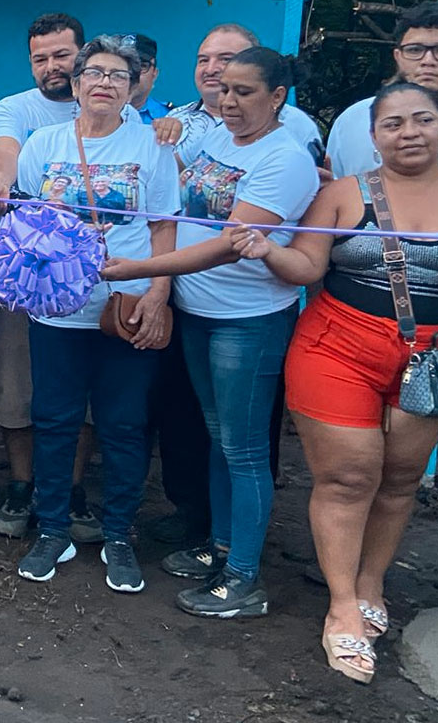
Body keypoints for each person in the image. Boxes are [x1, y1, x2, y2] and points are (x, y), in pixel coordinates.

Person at [231, 82, 438, 683]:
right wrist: (265, 250)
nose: (409, 133)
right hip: (337, 348)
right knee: (349, 476)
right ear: (372, 136)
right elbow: (308, 266)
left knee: (401, 479)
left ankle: (372, 581)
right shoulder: (345, 194)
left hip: (434, 355)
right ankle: (343, 606)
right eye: (394, 124)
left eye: (422, 120)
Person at [103, 48, 319, 617]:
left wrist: (142, 272)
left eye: (245, 92)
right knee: (220, 437)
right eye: (224, 89)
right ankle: (220, 547)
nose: (229, 100)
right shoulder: (220, 138)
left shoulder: (286, 158)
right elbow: (175, 189)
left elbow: (228, 243)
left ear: (277, 97)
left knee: (243, 449)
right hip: (201, 314)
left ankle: (244, 578)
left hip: (247, 322)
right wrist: (165, 132)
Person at [0, 13, 179, 544]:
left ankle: (117, 535)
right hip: (56, 308)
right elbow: (23, 215)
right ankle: (52, 530)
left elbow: (163, 227)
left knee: (123, 425)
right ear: (79, 81)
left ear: (135, 85)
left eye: (118, 75)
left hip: (123, 305)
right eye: (95, 73)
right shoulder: (43, 142)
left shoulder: (154, 145)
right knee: (54, 416)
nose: (105, 83)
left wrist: (159, 292)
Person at [324, 1, 438, 621]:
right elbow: (345, 207)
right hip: (360, 323)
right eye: (416, 49)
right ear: (396, 55)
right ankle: (358, 584)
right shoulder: (351, 122)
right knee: (367, 458)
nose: (429, 60)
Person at [170, 23, 324, 166]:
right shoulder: (176, 117)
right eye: (203, 60)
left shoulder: (295, 124)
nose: (210, 69)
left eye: (225, 59)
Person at [126, 33, 170, 123]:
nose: (131, 73)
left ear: (154, 74)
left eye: (141, 66)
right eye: (124, 65)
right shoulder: (91, 115)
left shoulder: (171, 117)